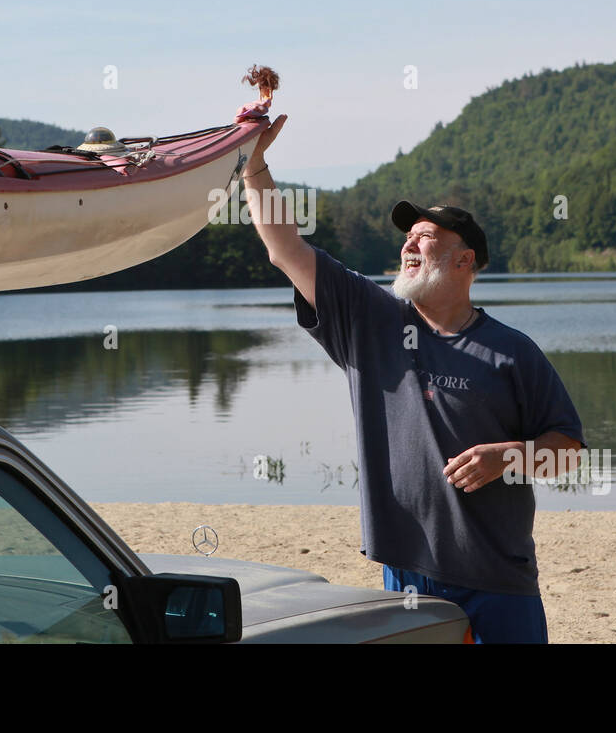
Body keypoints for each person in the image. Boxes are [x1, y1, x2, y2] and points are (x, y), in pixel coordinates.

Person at [240, 113, 586, 643]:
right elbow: (285, 249)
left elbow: (567, 450)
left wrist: (507, 457)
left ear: (464, 260)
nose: (408, 243)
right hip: (404, 574)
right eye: (406, 236)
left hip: (496, 576)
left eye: (424, 237)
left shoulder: (513, 351)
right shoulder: (370, 320)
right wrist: (255, 167)